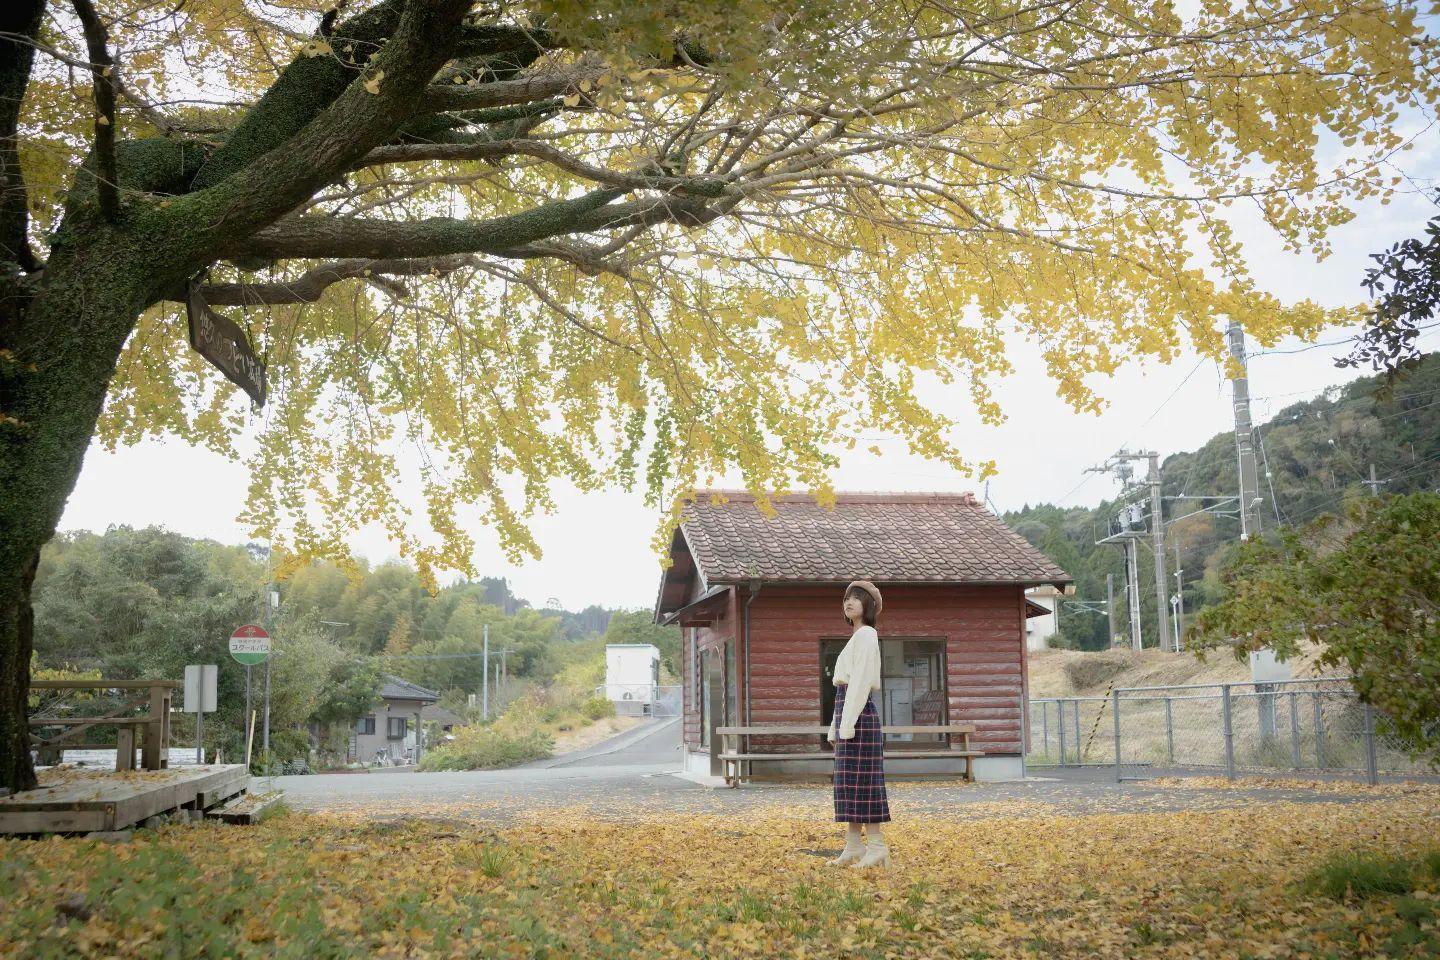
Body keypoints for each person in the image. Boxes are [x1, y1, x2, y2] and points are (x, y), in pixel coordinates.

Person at [827, 580, 891, 868]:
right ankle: (853, 846)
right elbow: (843, 690)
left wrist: (846, 725)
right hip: (848, 713)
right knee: (847, 783)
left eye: (856, 598)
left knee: (864, 783)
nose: (849, 602)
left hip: (859, 716)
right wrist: (835, 725)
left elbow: (860, 684)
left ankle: (876, 846)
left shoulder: (867, 634)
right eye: (846, 599)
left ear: (869, 605)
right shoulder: (856, 637)